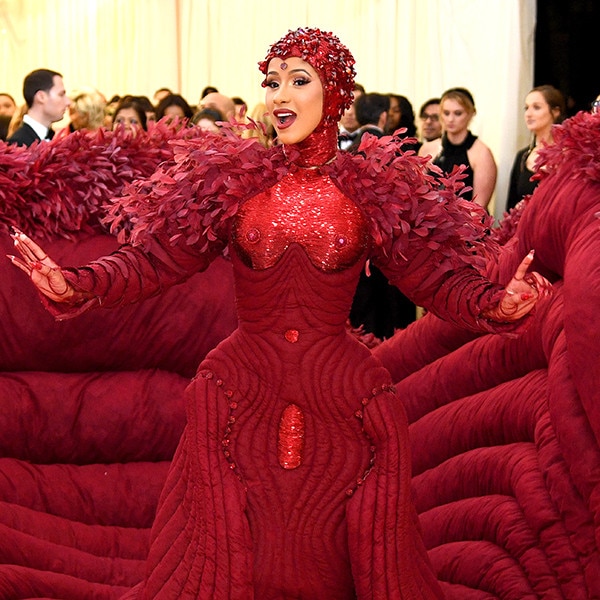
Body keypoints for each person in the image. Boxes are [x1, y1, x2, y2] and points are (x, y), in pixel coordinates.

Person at [9, 27, 550, 599]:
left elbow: (433, 281)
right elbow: (157, 259)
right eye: (272, 83)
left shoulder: (372, 188)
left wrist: (495, 303)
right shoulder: (234, 180)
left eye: (299, 81)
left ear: (334, 94)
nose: (279, 96)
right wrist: (77, 283)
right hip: (241, 394)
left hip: (341, 399)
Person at [419, 87, 497, 210]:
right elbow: (419, 194)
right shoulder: (428, 149)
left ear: (471, 113)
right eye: (446, 113)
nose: (450, 119)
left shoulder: (481, 153)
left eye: (458, 113)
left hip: (467, 225)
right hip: (431, 223)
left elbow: (478, 208)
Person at [505, 85, 566, 211]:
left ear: (555, 111)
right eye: (526, 108)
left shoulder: (568, 155)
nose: (528, 114)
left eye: (536, 107)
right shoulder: (523, 156)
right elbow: (510, 207)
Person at [6, 68, 70, 146]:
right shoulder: (19, 143)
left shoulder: (51, 136)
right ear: (41, 97)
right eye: (61, 94)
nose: (68, 102)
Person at [338, 82, 365, 150]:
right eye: (345, 104)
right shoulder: (324, 140)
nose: (349, 112)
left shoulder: (374, 140)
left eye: (356, 105)